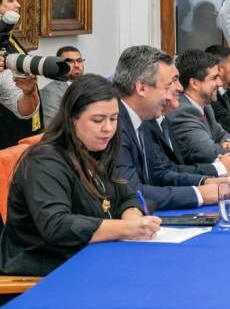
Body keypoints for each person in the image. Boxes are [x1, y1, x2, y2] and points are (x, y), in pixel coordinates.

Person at [0, 75, 161, 276]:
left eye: (114, 119)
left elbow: (127, 195)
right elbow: (57, 226)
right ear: (72, 119)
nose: (108, 128)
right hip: (45, 270)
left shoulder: (95, 149)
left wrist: (133, 219)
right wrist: (126, 228)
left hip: (89, 258)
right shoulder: (44, 161)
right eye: (97, 120)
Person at [113, 45, 224, 211]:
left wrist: (205, 181)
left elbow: (158, 173)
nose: (179, 88)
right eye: (169, 84)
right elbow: (131, 192)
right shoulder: (114, 124)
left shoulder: (142, 118)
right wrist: (199, 194)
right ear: (141, 88)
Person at [168, 49, 230, 164]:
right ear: (194, 83)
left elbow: (222, 134)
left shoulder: (206, 107)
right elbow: (208, 152)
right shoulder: (182, 111)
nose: (220, 83)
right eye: (214, 78)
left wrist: (229, 142)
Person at [0, 0, 40, 149]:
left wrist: (29, 92)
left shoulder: (8, 40)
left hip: (20, 140)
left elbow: (21, 107)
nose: (18, 5)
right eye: (11, 0)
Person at [40, 46, 85, 126]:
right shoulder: (51, 92)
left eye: (79, 61)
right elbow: (51, 127)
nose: (76, 65)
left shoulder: (89, 86)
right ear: (60, 66)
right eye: (70, 62)